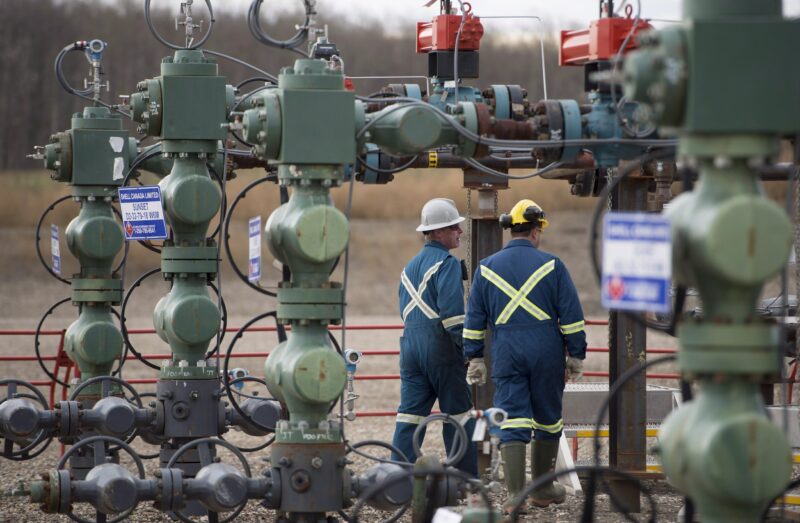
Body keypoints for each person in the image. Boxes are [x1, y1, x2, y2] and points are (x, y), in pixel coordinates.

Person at [462, 199, 586, 512]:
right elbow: (571, 314)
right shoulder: (552, 265)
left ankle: (516, 496)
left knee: (512, 417)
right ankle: (542, 489)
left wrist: (474, 358)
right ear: (534, 231)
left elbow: (474, 318)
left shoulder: (486, 268)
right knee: (547, 417)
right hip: (546, 347)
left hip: (506, 348)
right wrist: (576, 353)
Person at [391, 198, 478, 477]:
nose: (460, 232)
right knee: (459, 417)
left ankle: (395, 478)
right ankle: (464, 480)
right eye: (454, 227)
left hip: (411, 347)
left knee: (409, 418)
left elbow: (406, 310)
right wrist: (469, 352)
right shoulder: (447, 264)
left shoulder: (407, 268)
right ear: (438, 232)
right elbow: (453, 317)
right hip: (440, 347)